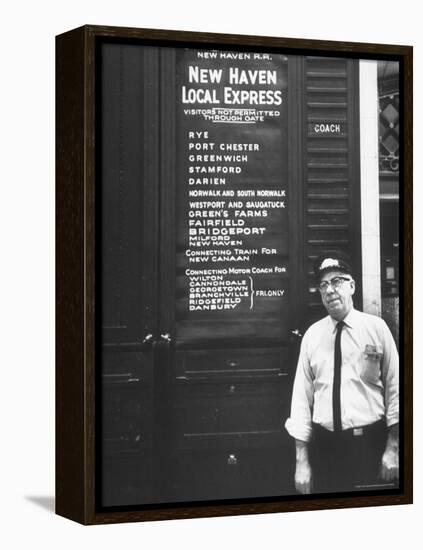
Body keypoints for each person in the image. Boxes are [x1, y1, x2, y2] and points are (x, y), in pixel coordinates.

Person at [285, 253, 399, 494]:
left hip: (371, 446)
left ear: (352, 286)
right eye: (323, 285)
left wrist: (394, 448)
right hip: (326, 450)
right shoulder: (312, 337)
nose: (330, 290)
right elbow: (301, 401)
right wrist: (301, 462)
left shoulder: (376, 329)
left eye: (337, 281)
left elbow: (396, 388)